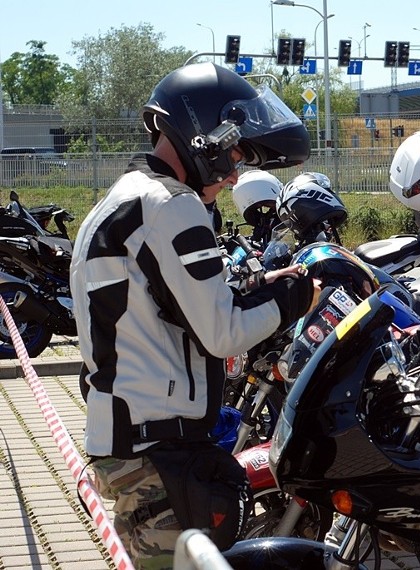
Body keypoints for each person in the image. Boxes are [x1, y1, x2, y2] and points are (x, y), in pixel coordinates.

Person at [70, 63, 319, 568]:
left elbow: (173, 305)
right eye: (233, 153)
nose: (233, 174)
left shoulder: (123, 200)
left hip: (125, 435)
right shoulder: (172, 205)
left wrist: (258, 287)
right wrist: (297, 299)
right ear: (201, 133)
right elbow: (222, 332)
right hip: (156, 445)